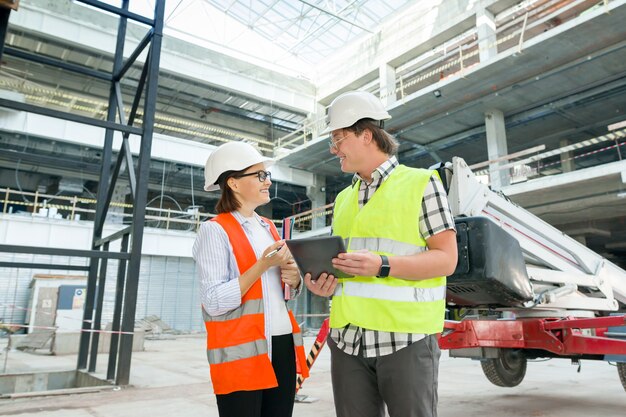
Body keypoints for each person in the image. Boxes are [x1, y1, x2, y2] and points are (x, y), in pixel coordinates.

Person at [304, 90, 458, 417]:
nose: (334, 150)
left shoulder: (421, 183)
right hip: (348, 340)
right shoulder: (344, 199)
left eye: (338, 139)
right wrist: (326, 283)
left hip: (405, 339)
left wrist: (382, 265)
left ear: (366, 135)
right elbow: (345, 268)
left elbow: (446, 259)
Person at [192, 141, 309, 417]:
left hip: (281, 342)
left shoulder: (268, 227)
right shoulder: (214, 231)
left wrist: (294, 280)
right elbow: (213, 301)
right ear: (233, 183)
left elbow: (278, 293)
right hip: (242, 352)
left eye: (266, 175)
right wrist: (261, 266)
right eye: (259, 175)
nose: (267, 181)